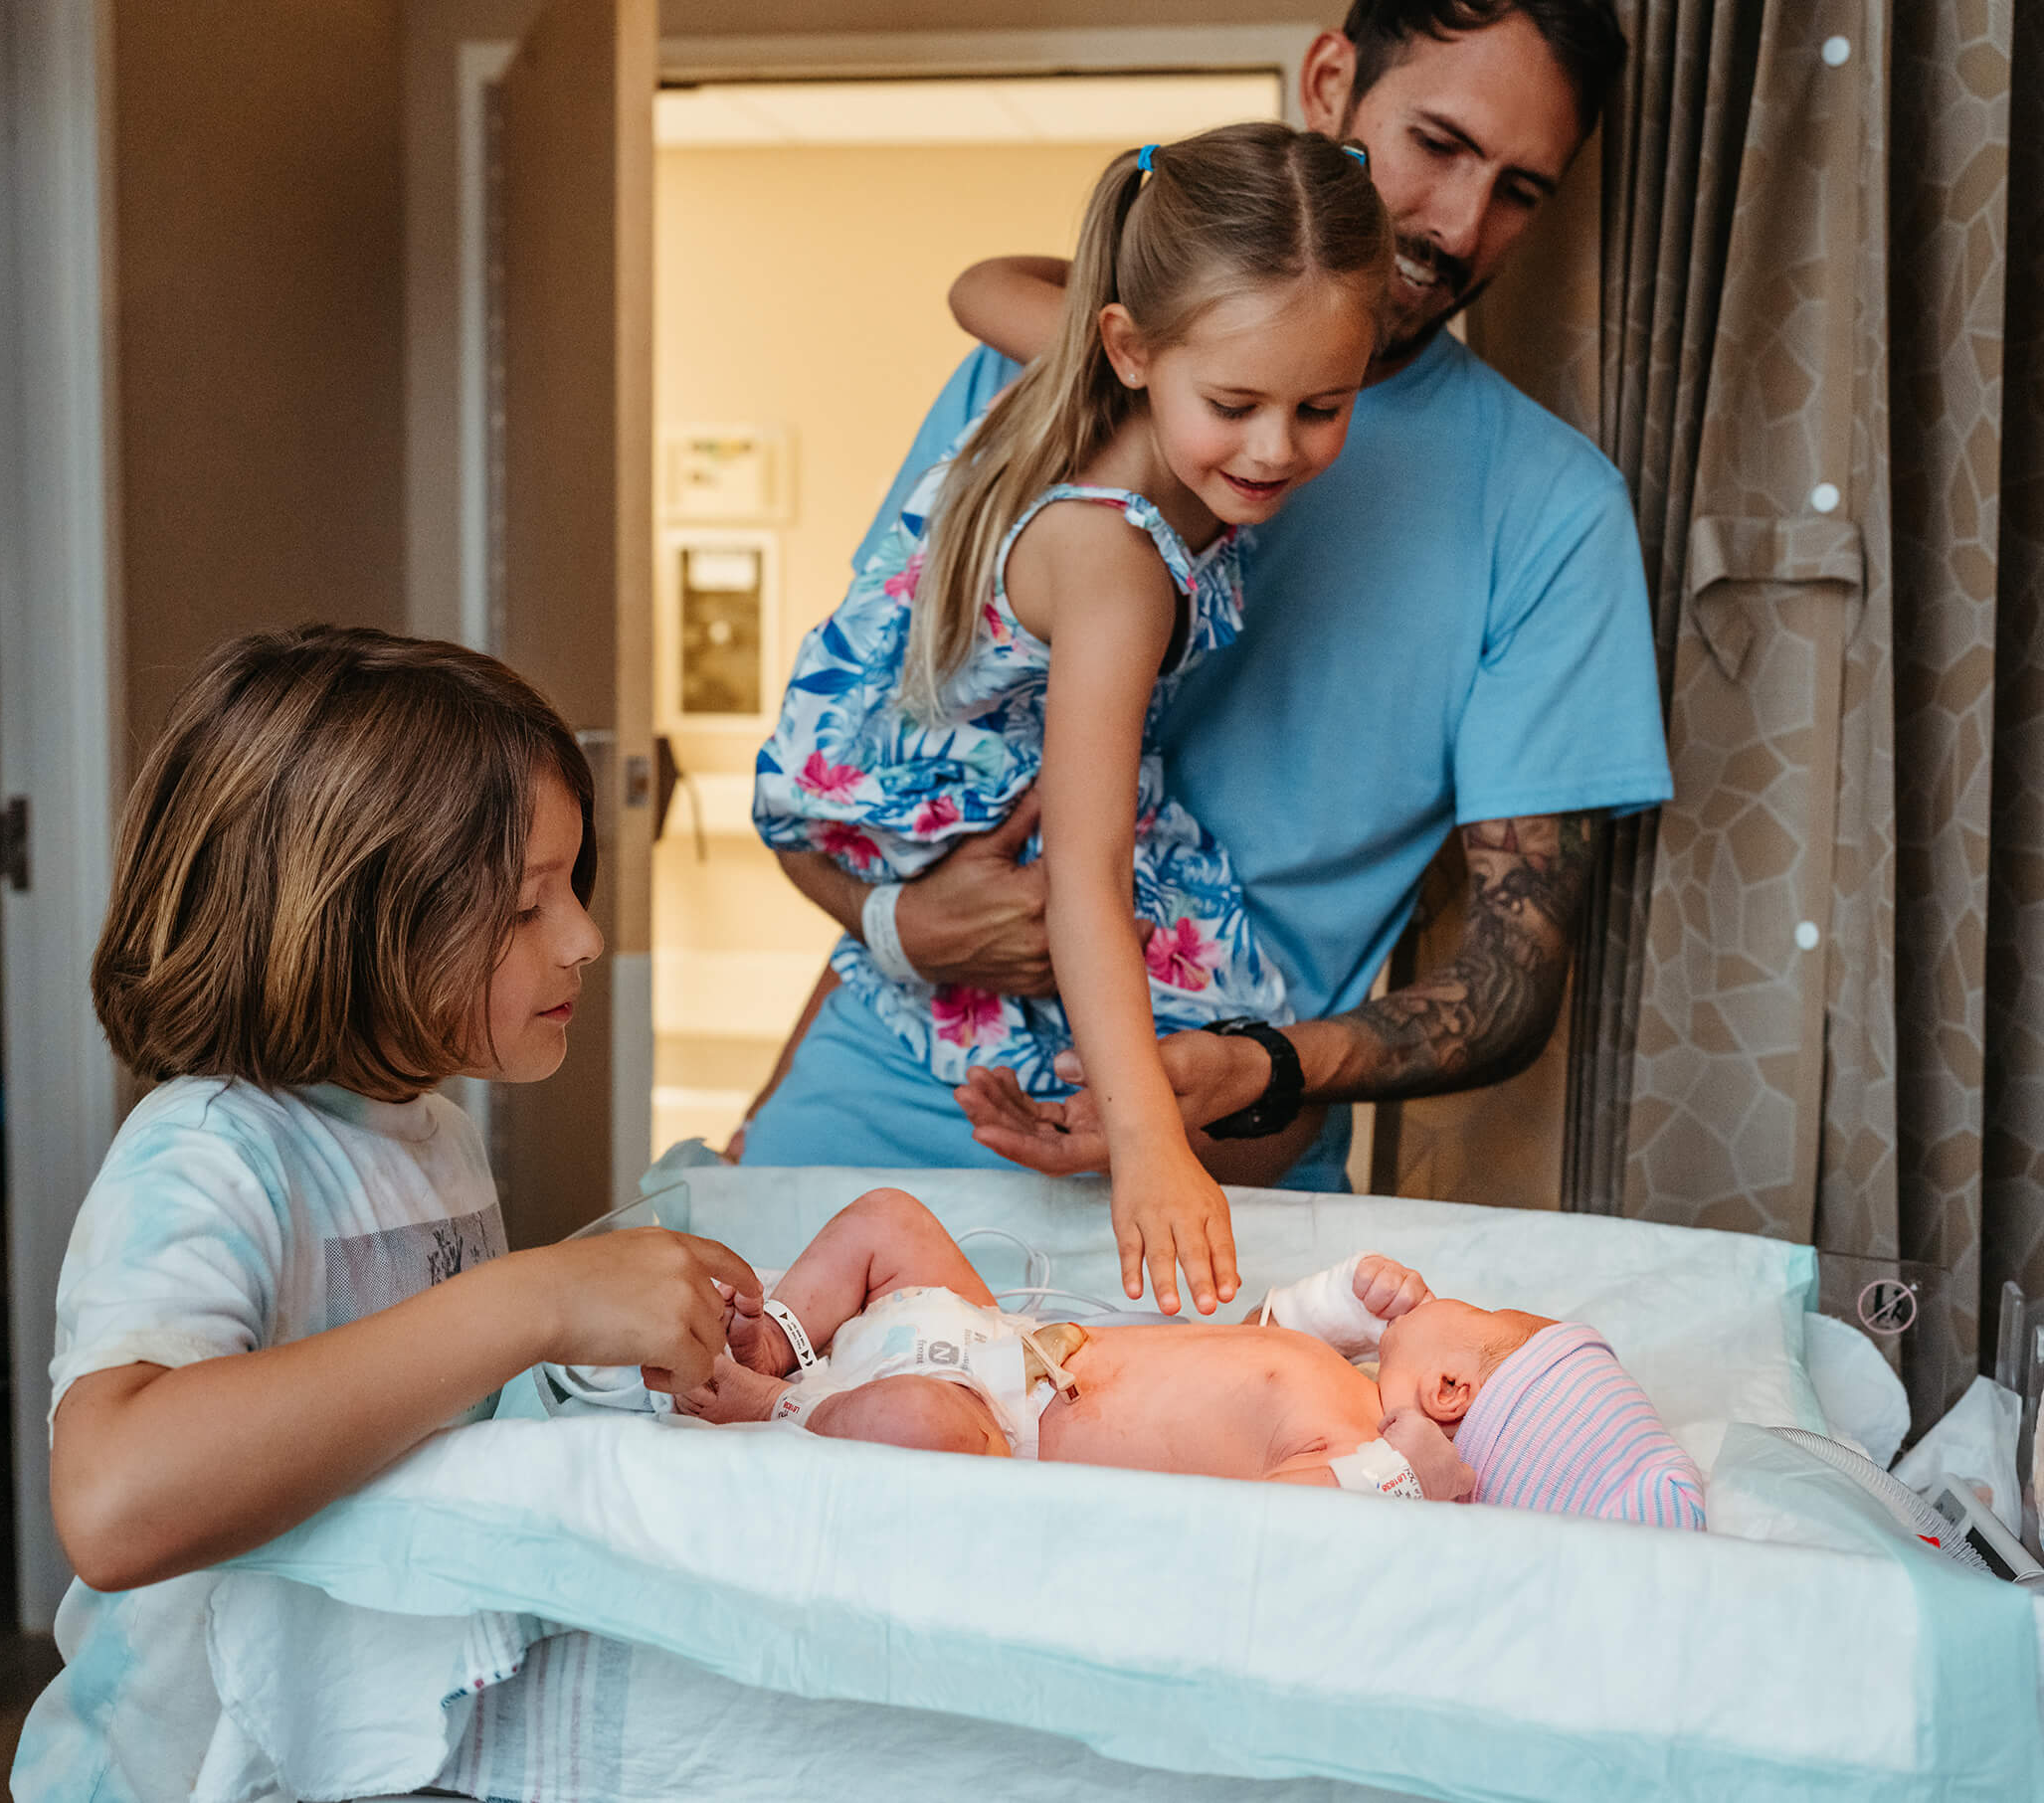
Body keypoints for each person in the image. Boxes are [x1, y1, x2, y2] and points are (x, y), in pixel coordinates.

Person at [739, 0, 1668, 1211]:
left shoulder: (1553, 512)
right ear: (1330, 81)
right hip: (872, 1102)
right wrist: (897, 931)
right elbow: (862, 765)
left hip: (1214, 1168)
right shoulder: (1051, 380)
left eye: (1520, 190)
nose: (1457, 224)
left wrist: (1255, 1069)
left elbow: (1509, 984)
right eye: (1438, 145)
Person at [12, 628, 760, 1803]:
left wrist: (601, 1355)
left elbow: (424, 1410)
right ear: (352, 914)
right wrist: (536, 1300)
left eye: (574, 884)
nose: (584, 938)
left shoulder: (433, 1133)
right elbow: (112, 1499)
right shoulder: (207, 1152)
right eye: (526, 907)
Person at [751, 122, 1392, 1319]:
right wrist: (1151, 1147)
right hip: (893, 784)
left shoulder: (1093, 362)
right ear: (1133, 345)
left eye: (1323, 405)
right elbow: (1089, 874)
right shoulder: (1118, 562)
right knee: (1199, 996)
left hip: (873, 733)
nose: (1274, 449)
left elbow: (971, 285)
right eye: (1239, 402)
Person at [673, 1189, 1706, 1531]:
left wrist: (1397, 1475)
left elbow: (1254, 1526)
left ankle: (772, 1409)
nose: (1443, 1295)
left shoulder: (1347, 1452)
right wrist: (1324, 1306)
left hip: (988, 1429)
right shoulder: (1330, 1379)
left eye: (1474, 1310)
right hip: (993, 1343)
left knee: (913, 1422)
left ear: (1449, 1389)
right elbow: (1243, 1351)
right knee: (890, 1220)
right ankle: (788, 1337)